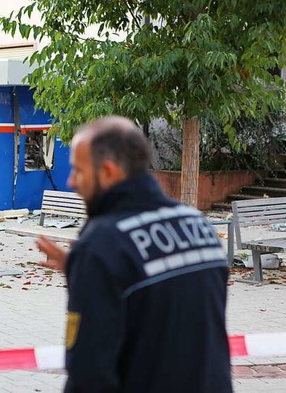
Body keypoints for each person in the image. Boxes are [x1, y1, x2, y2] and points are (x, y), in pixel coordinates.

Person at [37, 117, 233, 393]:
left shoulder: (101, 245)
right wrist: (81, 272)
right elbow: (167, 300)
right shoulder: (198, 227)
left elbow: (89, 373)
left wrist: (89, 269)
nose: (71, 182)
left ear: (107, 172)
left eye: (78, 171)